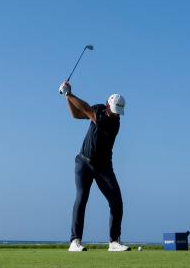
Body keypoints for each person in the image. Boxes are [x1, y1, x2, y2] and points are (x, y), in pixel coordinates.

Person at [59, 80, 128, 252]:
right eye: (114, 111)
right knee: (81, 199)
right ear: (107, 105)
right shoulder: (98, 109)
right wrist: (67, 98)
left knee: (117, 203)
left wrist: (68, 93)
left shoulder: (113, 123)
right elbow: (77, 114)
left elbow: (86, 109)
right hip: (84, 162)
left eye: (118, 112)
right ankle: (75, 241)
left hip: (104, 166)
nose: (116, 114)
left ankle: (113, 242)